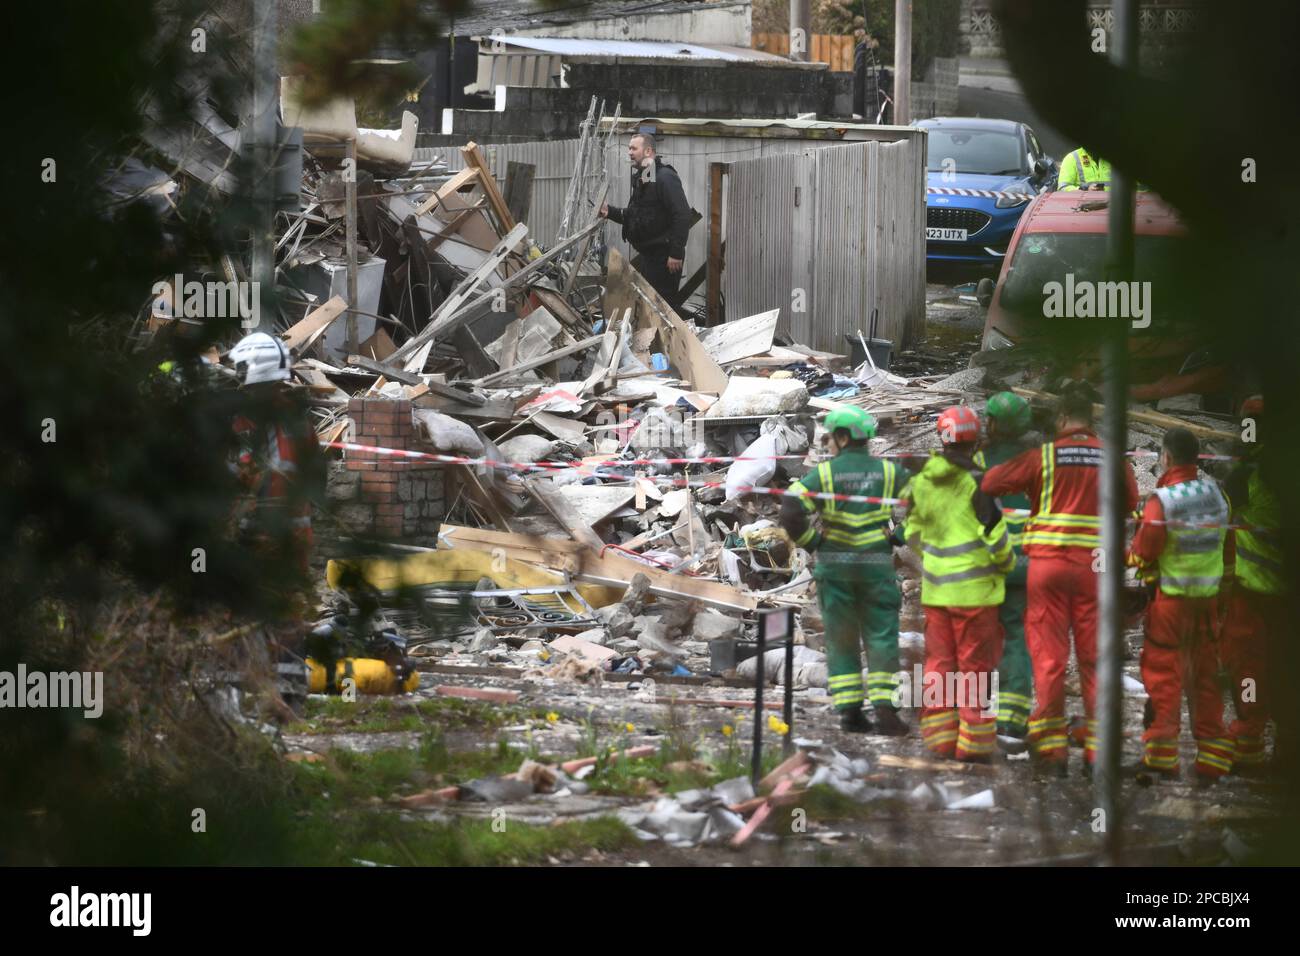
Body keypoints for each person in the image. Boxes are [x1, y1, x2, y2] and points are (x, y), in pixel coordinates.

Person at [981, 384, 1138, 776]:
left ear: (1064, 418)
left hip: (1047, 569)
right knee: (1093, 658)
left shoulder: (1044, 456)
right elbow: (1132, 501)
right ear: (1090, 418)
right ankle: (1098, 753)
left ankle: (1051, 753)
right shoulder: (1112, 459)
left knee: (1049, 658)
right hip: (1095, 570)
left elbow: (991, 484)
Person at [779, 406, 909, 734]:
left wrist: (814, 542)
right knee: (881, 637)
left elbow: (791, 509)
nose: (828, 444)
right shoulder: (890, 472)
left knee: (841, 638)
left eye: (831, 438)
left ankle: (850, 712)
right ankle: (886, 710)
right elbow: (924, 502)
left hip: (836, 568)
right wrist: (899, 535)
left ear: (842, 437)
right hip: (876, 568)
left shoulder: (824, 475)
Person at [901, 407, 1015, 762]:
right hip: (976, 594)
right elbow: (995, 534)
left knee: (939, 664)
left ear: (942, 438)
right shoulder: (982, 482)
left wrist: (936, 559)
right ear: (975, 440)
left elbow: (912, 534)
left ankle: (939, 739)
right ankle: (975, 745)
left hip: (937, 591)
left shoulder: (922, 482)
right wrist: (1006, 563)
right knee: (974, 666)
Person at [1127, 428, 1235, 786]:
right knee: (1205, 680)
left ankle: (1161, 757)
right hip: (1207, 605)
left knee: (1164, 679)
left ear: (1167, 458)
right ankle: (1214, 759)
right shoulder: (1218, 495)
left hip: (1171, 604)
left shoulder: (1163, 500)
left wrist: (1134, 562)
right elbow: (1228, 547)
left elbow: (1144, 551)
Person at [1221, 397, 1287, 773]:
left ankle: (1248, 740)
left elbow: (1219, 518)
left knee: (1249, 669)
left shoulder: (1247, 475)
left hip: (1256, 590)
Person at [976, 392, 1036, 747]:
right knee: (1018, 638)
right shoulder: (1038, 462)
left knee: (979, 637)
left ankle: (974, 715)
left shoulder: (979, 461)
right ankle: (1013, 720)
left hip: (987, 563)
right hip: (1027, 564)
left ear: (994, 423)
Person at [599, 132, 693, 307]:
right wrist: (609, 212)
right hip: (649, 257)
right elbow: (638, 217)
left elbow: (682, 214)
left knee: (661, 308)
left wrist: (676, 253)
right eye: (629, 148)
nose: (629, 152)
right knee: (649, 307)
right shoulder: (645, 178)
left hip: (665, 259)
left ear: (648, 151)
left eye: (634, 148)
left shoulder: (665, 177)